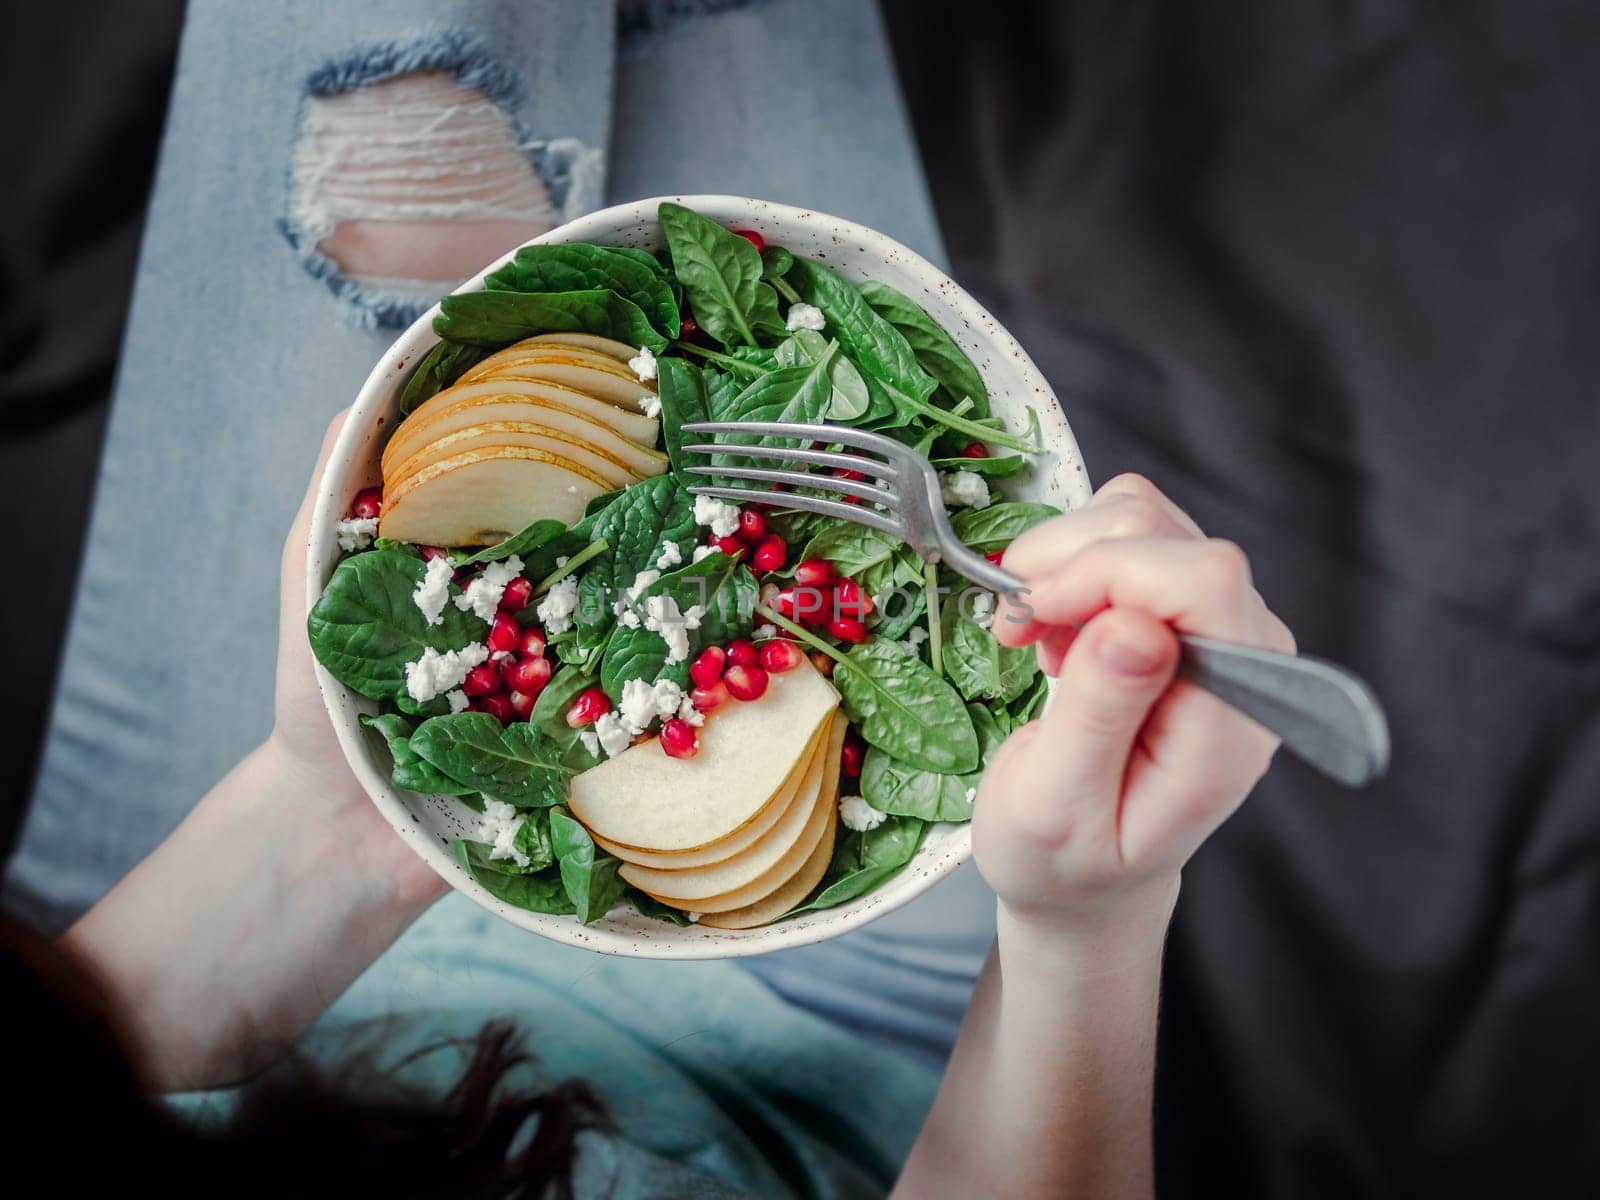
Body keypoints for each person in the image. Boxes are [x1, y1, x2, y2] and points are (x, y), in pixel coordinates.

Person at [10, 409, 1292, 1194]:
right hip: (860, 1008)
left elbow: (88, 1061)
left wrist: (341, 803)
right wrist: (1083, 922)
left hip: (294, 891)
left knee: (416, 100)